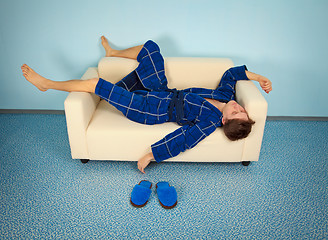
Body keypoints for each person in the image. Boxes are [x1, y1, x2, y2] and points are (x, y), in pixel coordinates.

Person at [21, 36, 272, 174]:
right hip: (161, 92)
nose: (239, 106)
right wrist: (258, 77)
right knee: (152, 49)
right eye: (243, 109)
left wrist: (150, 155)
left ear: (226, 121)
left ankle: (47, 84)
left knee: (96, 82)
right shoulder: (224, 96)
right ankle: (113, 54)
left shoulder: (208, 122)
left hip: (149, 109)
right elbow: (231, 74)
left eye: (237, 112)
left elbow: (182, 140)